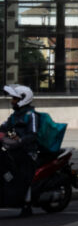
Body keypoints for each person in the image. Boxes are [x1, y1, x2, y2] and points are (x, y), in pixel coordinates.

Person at [1, 84, 41, 217]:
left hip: (28, 152)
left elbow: (33, 134)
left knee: (23, 176)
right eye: (13, 98)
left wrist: (20, 141)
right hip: (15, 150)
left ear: (23, 99)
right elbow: (4, 127)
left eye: (15, 98)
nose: (12, 101)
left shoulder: (31, 115)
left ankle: (27, 204)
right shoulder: (15, 115)